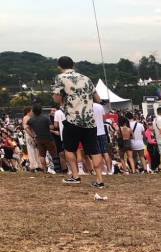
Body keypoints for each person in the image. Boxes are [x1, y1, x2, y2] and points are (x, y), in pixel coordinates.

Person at [51, 56, 105, 187]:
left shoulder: (60, 78)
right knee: (94, 150)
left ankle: (75, 176)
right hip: (89, 121)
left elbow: (57, 100)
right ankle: (99, 180)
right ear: (73, 64)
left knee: (69, 148)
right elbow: (97, 99)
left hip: (72, 119)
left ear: (59, 66)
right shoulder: (86, 78)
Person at [27, 104, 57, 173]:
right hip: (48, 138)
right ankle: (53, 169)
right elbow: (51, 127)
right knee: (53, 153)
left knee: (42, 155)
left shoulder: (31, 120)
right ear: (41, 110)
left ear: (34, 111)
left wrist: (33, 135)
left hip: (39, 139)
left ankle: (44, 170)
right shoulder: (45, 118)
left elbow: (26, 128)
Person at [93, 99, 112, 174]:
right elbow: (104, 119)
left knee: (98, 153)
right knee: (105, 152)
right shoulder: (100, 106)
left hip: (93, 132)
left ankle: (102, 170)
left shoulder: (89, 107)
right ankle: (109, 170)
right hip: (102, 132)